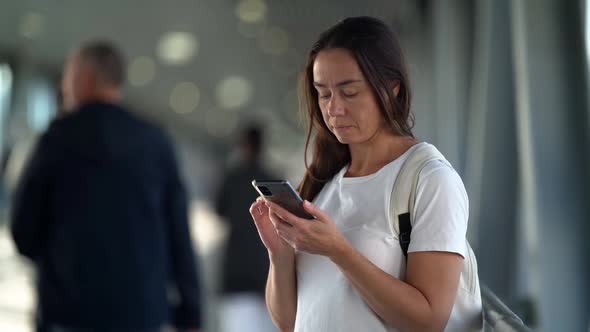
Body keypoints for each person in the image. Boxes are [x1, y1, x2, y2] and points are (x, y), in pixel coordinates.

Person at [249, 16, 482, 332]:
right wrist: (279, 253)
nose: (334, 109)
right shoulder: (324, 183)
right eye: (324, 93)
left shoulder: (429, 179)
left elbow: (428, 321)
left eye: (349, 92)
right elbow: (291, 322)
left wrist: (338, 251)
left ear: (391, 90)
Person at [10, 41, 201, 332]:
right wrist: (191, 312)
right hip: (141, 314)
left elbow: (24, 233)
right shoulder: (155, 142)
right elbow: (179, 233)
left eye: (67, 75)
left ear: (83, 78)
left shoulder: (57, 138)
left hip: (70, 312)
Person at [214, 125, 277, 332]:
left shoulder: (233, 177)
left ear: (244, 145)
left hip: (237, 273)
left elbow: (219, 210)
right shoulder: (272, 179)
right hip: (266, 273)